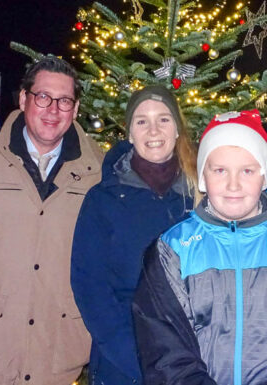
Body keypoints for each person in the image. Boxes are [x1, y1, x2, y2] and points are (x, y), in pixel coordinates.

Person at [133, 110, 267, 385]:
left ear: (264, 177)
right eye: (220, 170)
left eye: (247, 170)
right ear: (204, 177)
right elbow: (164, 352)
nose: (233, 184)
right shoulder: (173, 250)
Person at [0, 56, 103, 384]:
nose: (53, 109)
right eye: (43, 97)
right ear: (24, 98)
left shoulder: (97, 172)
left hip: (58, 360)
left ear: (76, 108)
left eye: (64, 100)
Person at [71, 85, 199, 385]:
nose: (153, 129)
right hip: (125, 365)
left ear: (177, 129)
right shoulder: (103, 199)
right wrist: (135, 359)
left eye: (163, 119)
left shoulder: (201, 195)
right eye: (142, 121)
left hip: (192, 363)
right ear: (129, 133)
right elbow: (90, 288)